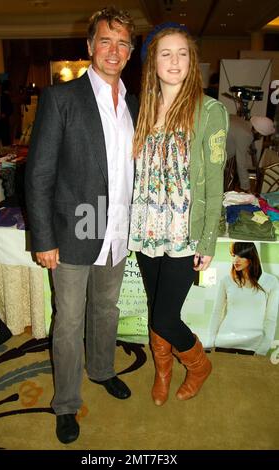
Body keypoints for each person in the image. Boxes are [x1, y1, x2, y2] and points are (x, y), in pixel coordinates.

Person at [25, 6, 137, 444]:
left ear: (130, 52)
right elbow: (38, 175)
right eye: (105, 41)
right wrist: (44, 238)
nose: (114, 50)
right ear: (90, 46)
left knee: (106, 310)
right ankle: (67, 403)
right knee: (69, 321)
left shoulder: (133, 101)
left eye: (122, 43)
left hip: (118, 229)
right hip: (74, 229)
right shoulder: (62, 99)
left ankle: (103, 368)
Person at [128, 23, 229, 406]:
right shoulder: (140, 108)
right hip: (147, 226)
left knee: (167, 317)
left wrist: (207, 240)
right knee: (157, 309)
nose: (174, 61)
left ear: (193, 61)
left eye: (182, 53)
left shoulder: (210, 111)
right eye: (165, 53)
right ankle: (163, 371)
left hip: (184, 232)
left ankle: (199, 366)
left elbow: (214, 184)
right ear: (151, 61)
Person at [210, 242, 279, 355]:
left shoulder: (270, 281)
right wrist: (210, 342)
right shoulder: (227, 281)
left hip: (252, 347)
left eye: (241, 256)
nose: (235, 260)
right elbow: (217, 313)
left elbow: (270, 319)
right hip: (224, 344)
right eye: (234, 255)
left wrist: (262, 350)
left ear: (251, 257)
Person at [226, 114, 275, 192]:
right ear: (257, 131)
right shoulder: (246, 134)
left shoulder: (240, 120)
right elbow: (241, 164)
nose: (260, 138)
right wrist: (247, 188)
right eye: (261, 136)